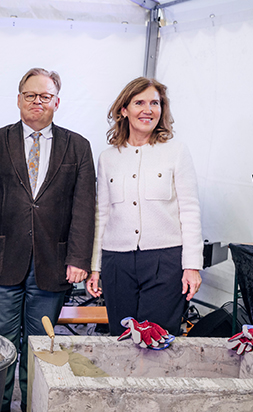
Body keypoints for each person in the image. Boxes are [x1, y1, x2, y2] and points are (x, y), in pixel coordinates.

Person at [0, 68, 96, 412]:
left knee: (42, 342)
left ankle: (36, 407)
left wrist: (79, 258)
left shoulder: (78, 146)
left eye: (45, 96)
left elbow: (84, 207)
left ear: (57, 101)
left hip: (54, 263)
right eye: (30, 95)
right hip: (0, 260)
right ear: (19, 99)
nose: (37, 101)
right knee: (1, 340)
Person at [86, 77, 203, 337]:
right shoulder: (107, 158)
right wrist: (95, 267)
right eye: (139, 103)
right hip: (117, 262)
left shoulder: (176, 152)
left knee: (157, 339)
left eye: (154, 103)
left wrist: (192, 266)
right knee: (122, 337)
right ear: (124, 110)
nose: (148, 110)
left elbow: (190, 211)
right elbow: (101, 215)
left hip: (165, 261)